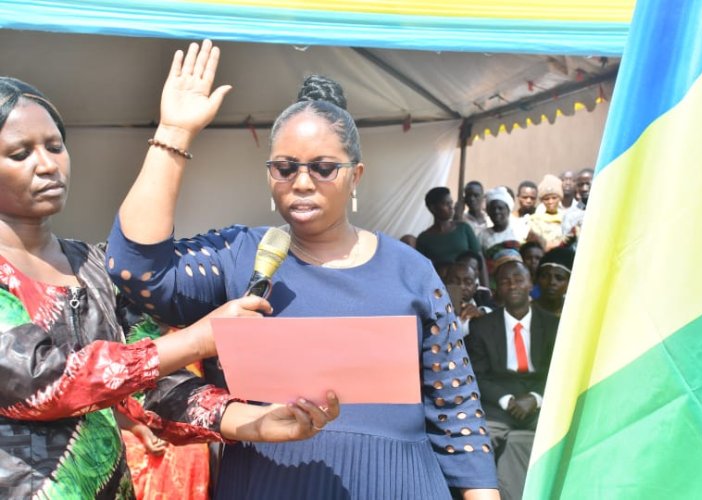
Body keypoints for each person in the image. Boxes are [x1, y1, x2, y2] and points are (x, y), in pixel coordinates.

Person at [105, 40, 499, 499]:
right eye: (285, 168)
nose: (303, 182)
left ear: (356, 175)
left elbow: (457, 411)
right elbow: (135, 270)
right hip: (268, 483)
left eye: (324, 168)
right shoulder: (239, 254)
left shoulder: (411, 271)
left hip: (397, 484)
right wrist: (173, 134)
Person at [0, 76, 338, 497]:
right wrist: (198, 339)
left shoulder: (92, 264)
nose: (48, 165)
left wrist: (252, 421)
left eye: (54, 146)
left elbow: (152, 386)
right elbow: (42, 381)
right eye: (20, 153)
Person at [466, 254, 559, 500]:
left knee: (556, 437)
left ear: (531, 284)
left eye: (519, 279)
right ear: (497, 289)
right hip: (498, 405)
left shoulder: (553, 325)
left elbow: (559, 371)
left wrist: (536, 398)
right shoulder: (482, 327)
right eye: (505, 281)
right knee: (476, 443)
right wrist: (507, 400)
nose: (513, 285)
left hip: (541, 404)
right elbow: (477, 375)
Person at [417, 186, 482, 266]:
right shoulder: (424, 239)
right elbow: (422, 267)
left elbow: (479, 257)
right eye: (446, 204)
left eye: (451, 203)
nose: (451, 207)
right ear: (433, 208)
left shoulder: (464, 228)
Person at [533, 246, 575, 317]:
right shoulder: (524, 312)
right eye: (545, 276)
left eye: (559, 278)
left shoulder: (575, 314)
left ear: (569, 282)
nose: (551, 282)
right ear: (537, 279)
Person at [528, 174, 565, 251]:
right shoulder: (535, 220)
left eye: (554, 198)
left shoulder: (567, 218)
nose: (550, 202)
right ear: (542, 201)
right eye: (546, 199)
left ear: (560, 198)